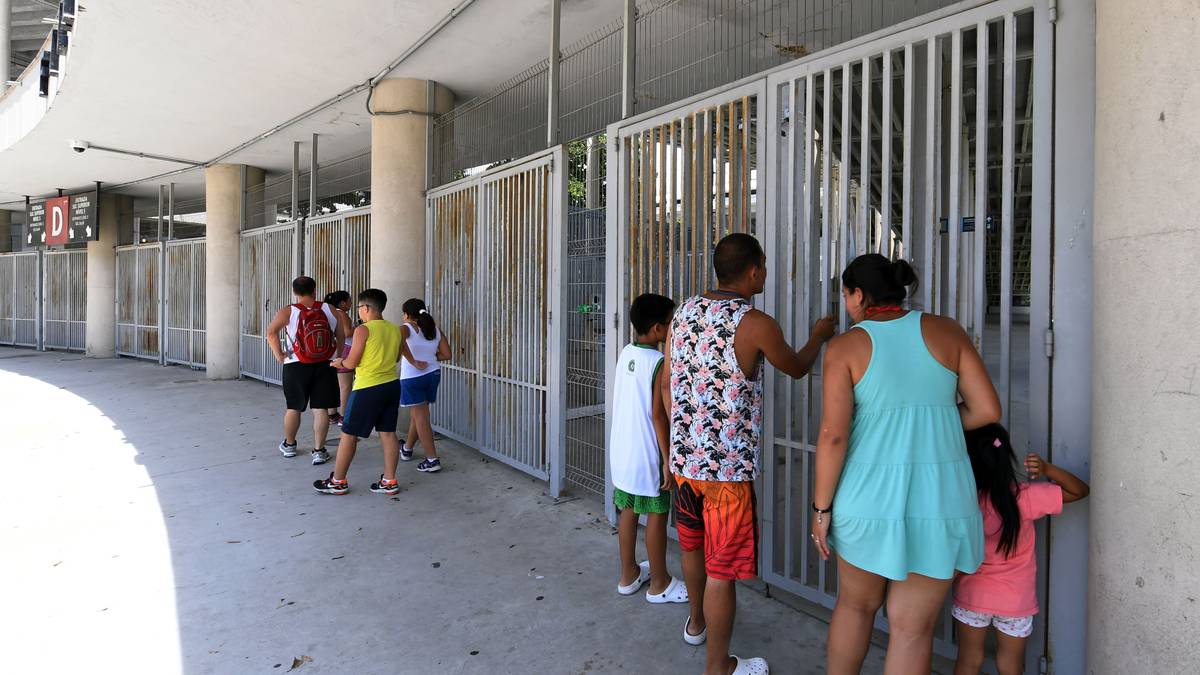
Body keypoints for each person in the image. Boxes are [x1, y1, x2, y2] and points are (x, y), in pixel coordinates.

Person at [810, 253, 1000, 674]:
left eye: (846, 295)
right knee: (913, 630)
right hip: (941, 502)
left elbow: (833, 436)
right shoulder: (947, 331)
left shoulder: (845, 347)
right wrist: (937, 420)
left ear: (858, 295)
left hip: (868, 501)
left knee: (856, 607)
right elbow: (987, 409)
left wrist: (821, 509)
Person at [664, 233, 835, 675]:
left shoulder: (683, 312)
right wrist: (819, 336)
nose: (766, 273)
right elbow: (797, 367)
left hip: (685, 466)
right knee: (721, 572)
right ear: (754, 270)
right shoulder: (755, 323)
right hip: (727, 475)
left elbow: (667, 384)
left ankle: (696, 623)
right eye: (765, 265)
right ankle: (718, 666)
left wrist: (675, 447)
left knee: (692, 547)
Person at [953, 424, 1089, 675]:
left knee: (968, 661)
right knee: (1010, 665)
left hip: (973, 595)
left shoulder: (964, 502)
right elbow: (1080, 490)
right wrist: (1047, 469)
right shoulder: (1025, 497)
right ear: (1006, 459)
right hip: (1016, 600)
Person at [611, 293, 688, 604]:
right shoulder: (658, 362)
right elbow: (658, 415)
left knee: (628, 510)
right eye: (671, 324)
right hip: (648, 453)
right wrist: (668, 459)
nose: (673, 329)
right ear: (658, 329)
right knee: (657, 513)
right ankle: (659, 583)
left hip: (623, 451)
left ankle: (628, 575)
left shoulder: (626, 353)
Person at [313, 288, 404, 495]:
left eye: (360, 307)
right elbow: (397, 358)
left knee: (349, 434)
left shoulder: (363, 330)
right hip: (391, 385)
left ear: (367, 308)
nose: (359, 311)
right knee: (388, 433)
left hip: (367, 388)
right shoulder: (395, 329)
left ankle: (338, 481)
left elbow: (351, 362)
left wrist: (339, 362)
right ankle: (389, 481)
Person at [267, 276, 347, 466]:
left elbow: (271, 332)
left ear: (295, 292)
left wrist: (279, 354)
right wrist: (337, 355)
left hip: (296, 364)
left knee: (294, 407)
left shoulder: (289, 311)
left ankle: (289, 445)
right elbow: (341, 335)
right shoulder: (330, 309)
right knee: (321, 408)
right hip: (325, 363)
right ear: (314, 290)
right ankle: (319, 451)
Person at [397, 298, 451, 473]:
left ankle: (432, 459)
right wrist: (429, 358)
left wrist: (414, 361)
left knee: (421, 417)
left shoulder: (405, 328)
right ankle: (407, 449)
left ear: (406, 314)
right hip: (433, 375)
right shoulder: (434, 329)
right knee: (419, 414)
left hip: (413, 377)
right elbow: (447, 354)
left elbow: (399, 345)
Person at [322, 290, 354, 427]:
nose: (351, 303)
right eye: (349, 300)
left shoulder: (330, 313)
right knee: (345, 386)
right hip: (345, 349)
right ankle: (343, 416)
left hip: (332, 350)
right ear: (342, 303)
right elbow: (347, 333)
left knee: (334, 384)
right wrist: (361, 327)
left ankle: (332, 415)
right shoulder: (342, 314)